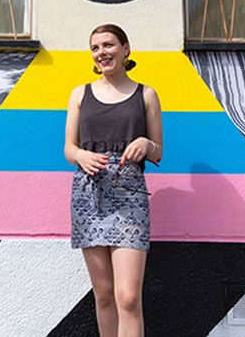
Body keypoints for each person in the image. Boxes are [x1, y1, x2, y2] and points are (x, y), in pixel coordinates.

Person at [64, 24, 163, 337]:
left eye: (108, 45)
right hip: (88, 195)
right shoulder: (79, 94)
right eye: (95, 48)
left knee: (128, 297)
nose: (101, 52)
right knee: (104, 294)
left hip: (129, 195)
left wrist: (145, 144)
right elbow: (69, 148)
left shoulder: (146, 94)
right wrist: (81, 156)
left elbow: (158, 151)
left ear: (125, 49)